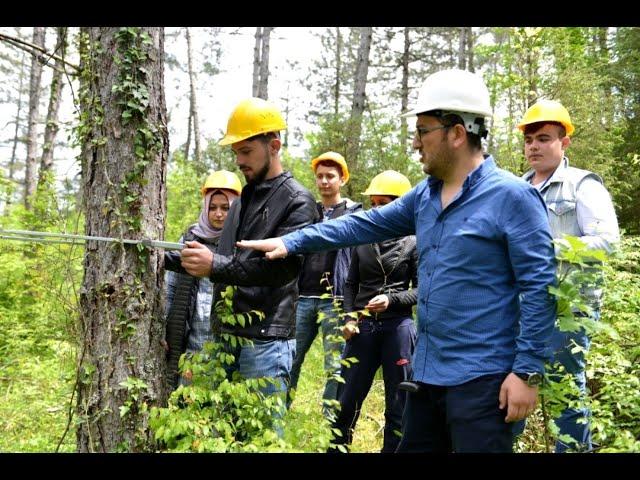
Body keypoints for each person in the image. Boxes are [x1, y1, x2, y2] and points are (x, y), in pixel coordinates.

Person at [237, 69, 558, 453]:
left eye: (423, 131)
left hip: (483, 380)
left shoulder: (512, 197)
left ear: (457, 133)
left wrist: (525, 373)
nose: (415, 143)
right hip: (427, 375)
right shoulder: (426, 195)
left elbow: (540, 289)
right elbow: (364, 225)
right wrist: (292, 241)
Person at [166, 97, 317, 410]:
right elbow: (222, 255)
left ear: (273, 145)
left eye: (246, 151)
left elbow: (280, 271)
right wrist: (159, 256)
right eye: (236, 152)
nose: (239, 160)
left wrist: (214, 267)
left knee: (259, 435)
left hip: (266, 343)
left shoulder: (298, 202)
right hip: (225, 338)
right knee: (221, 433)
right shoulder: (245, 196)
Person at [517, 99, 620, 452]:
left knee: (563, 393)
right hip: (522, 305)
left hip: (569, 307)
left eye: (544, 138)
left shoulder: (582, 185)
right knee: (512, 384)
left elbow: (607, 241)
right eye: (529, 139)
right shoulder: (517, 189)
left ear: (565, 142)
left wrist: (549, 248)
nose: (534, 146)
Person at [329, 170, 417, 453]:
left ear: (400, 205)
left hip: (398, 327)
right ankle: (336, 449)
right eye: (374, 203)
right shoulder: (362, 239)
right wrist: (349, 316)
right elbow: (350, 283)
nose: (378, 209)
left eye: (384, 203)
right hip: (363, 327)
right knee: (346, 399)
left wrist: (392, 300)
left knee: (398, 403)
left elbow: (423, 289)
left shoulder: (414, 241)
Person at [289, 151, 362, 412]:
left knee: (334, 363)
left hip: (335, 300)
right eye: (319, 176)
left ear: (342, 179)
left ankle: (330, 419)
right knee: (291, 357)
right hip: (302, 297)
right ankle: (280, 409)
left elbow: (358, 261)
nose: (324, 181)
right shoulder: (308, 211)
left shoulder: (353, 213)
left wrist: (353, 308)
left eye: (330, 176)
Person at [163, 170, 241, 389]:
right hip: (190, 342)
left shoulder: (244, 243)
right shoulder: (190, 239)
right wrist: (164, 330)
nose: (218, 214)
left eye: (226, 208)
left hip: (228, 344)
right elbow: (170, 288)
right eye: (213, 207)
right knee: (186, 401)